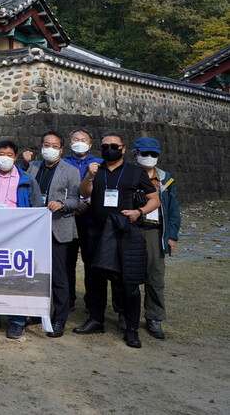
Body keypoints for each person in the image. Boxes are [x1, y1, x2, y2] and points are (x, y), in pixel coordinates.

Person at [73, 131, 160, 349]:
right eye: (104, 146)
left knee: (126, 282)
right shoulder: (95, 168)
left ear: (122, 148)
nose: (109, 149)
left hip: (123, 231)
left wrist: (139, 212)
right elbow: (84, 192)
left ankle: (130, 327)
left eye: (114, 145)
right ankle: (96, 319)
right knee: (94, 278)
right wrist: (89, 176)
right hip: (96, 231)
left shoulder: (135, 172)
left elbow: (155, 200)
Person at [0, 139, 44, 338]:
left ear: (15, 157)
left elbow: (37, 208)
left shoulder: (27, 180)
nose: (4, 158)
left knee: (16, 277)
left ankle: (16, 320)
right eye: (1, 154)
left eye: (9, 155)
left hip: (17, 235)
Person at [24, 131, 81, 338]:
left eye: (54, 145)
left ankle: (59, 319)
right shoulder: (33, 167)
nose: (49, 148)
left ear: (61, 149)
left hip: (58, 228)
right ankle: (34, 313)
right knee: (34, 274)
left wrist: (62, 204)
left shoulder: (71, 171)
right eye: (46, 144)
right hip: (35, 230)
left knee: (59, 276)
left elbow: (76, 201)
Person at [132, 137, 181, 340]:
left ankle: (154, 317)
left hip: (155, 232)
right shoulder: (128, 175)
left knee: (155, 277)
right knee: (128, 275)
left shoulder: (165, 179)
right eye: (144, 153)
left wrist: (171, 236)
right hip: (132, 229)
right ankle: (127, 315)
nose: (149, 157)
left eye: (153, 154)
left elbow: (173, 211)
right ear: (135, 154)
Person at [62, 128, 102, 312]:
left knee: (91, 261)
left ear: (90, 144)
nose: (79, 142)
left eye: (83, 139)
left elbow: (104, 188)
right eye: (75, 139)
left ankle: (91, 299)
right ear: (69, 144)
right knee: (67, 261)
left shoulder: (100, 163)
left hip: (91, 220)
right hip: (67, 218)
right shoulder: (61, 163)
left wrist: (87, 201)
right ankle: (68, 297)